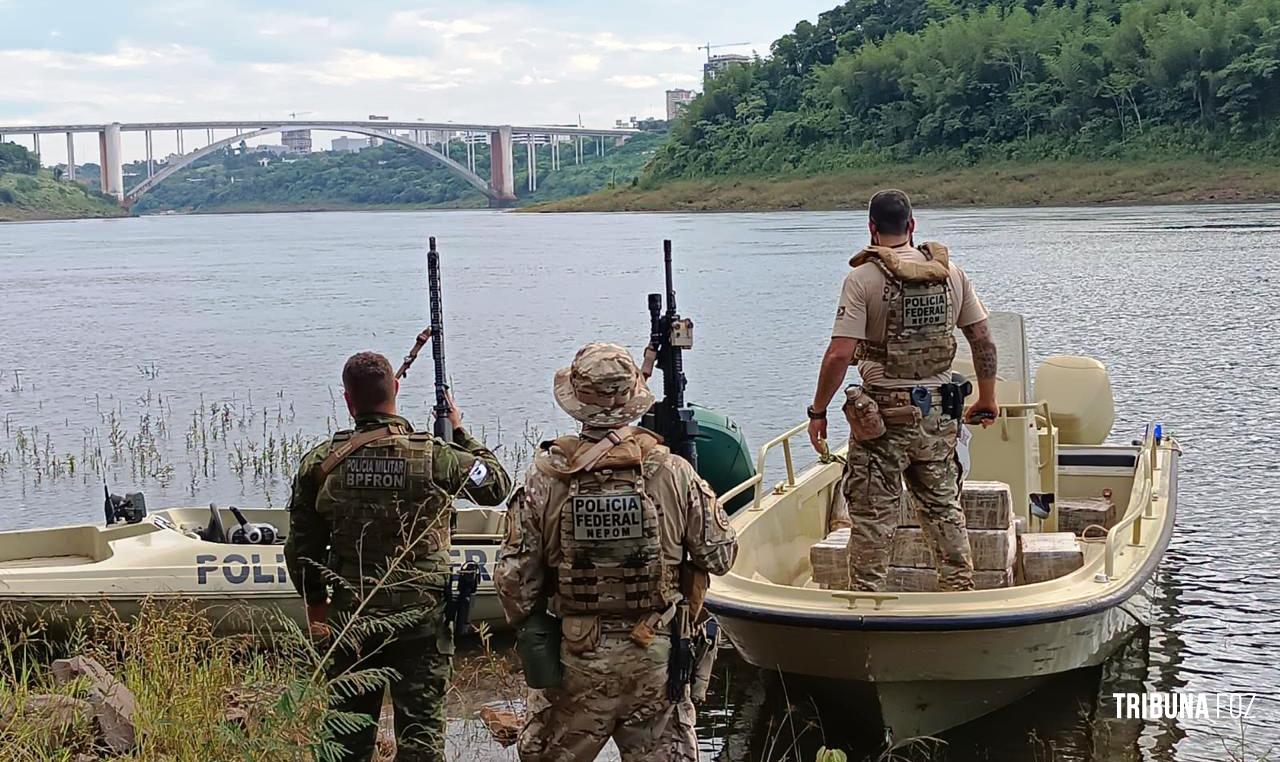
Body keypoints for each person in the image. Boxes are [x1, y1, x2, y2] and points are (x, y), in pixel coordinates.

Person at [495, 342, 739, 762]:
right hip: (656, 656)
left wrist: (541, 627)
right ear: (632, 401)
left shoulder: (547, 478)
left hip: (575, 658)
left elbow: (513, 582)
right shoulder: (673, 472)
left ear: (576, 403)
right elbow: (721, 555)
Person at [284, 351, 512, 762]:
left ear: (348, 400)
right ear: (397, 390)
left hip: (353, 619)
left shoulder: (321, 463)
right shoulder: (435, 456)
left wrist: (317, 609)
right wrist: (459, 432)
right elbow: (495, 487)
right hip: (421, 623)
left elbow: (302, 548)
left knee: (344, 740)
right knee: (420, 741)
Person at [806, 189, 999, 592]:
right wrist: (986, 397)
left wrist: (818, 411)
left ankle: (867, 604)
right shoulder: (952, 276)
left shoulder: (862, 279)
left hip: (881, 422)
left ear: (871, 228)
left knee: (874, 519)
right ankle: (959, 595)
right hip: (937, 420)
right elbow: (982, 339)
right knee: (945, 510)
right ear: (912, 226)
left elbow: (840, 354)